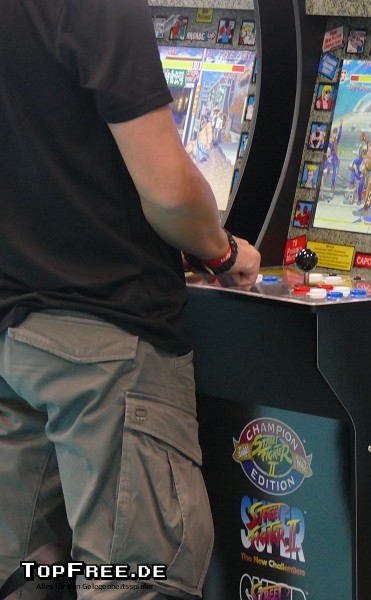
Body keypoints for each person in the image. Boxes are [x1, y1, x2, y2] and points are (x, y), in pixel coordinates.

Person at [0, 1, 261, 598]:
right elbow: (169, 191)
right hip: (106, 348)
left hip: (15, 342)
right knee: (133, 578)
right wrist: (222, 252)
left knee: (30, 574)